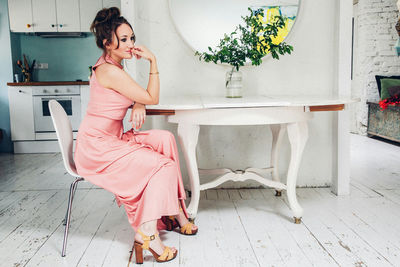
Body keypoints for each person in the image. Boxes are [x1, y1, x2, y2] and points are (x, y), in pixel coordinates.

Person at [74, 7, 198, 264]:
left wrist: (137, 103)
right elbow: (152, 96)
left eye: (132, 37)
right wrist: (153, 61)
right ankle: (149, 232)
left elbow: (132, 97)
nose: (132, 44)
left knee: (164, 139)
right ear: (108, 44)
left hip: (112, 138)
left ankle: (176, 214)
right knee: (163, 166)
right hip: (97, 148)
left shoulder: (113, 66)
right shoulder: (110, 71)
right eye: (124, 39)